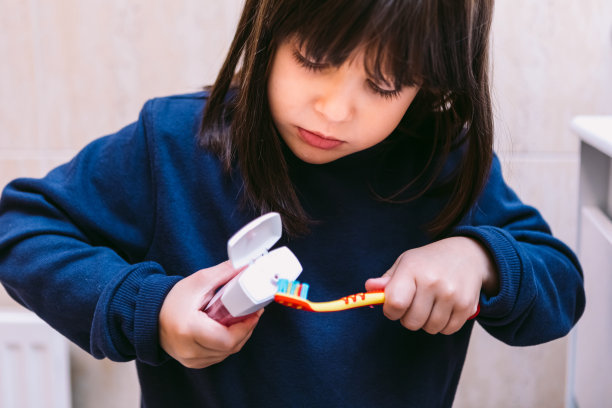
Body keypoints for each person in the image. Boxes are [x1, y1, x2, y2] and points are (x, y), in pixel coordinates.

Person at [0, 0, 585, 407]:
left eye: (382, 85)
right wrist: (148, 309)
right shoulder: (175, 146)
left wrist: (478, 257)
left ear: (430, 82)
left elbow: (563, 285)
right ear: (268, 25)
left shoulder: (444, 164)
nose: (332, 110)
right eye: (313, 59)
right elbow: (22, 226)